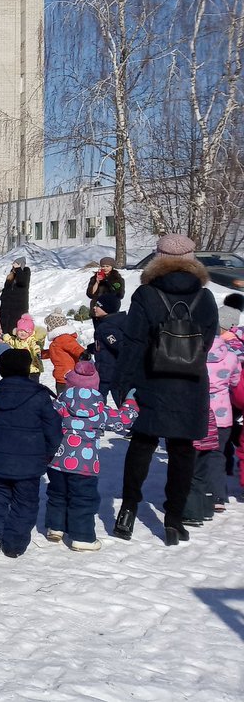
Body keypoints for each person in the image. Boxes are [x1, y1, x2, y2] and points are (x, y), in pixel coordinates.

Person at [114, 234, 218, 545]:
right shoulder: (205, 297)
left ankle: (128, 511)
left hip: (152, 381)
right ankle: (174, 521)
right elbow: (207, 342)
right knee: (182, 450)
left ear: (158, 258)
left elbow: (133, 343)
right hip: (190, 384)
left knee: (142, 445)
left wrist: (122, 386)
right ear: (192, 258)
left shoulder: (146, 294)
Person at [0, 349, 61, 558]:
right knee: (25, 502)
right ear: (26, 369)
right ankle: (14, 543)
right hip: (30, 462)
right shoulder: (39, 394)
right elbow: (53, 427)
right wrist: (49, 451)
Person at [45, 361, 138, 551]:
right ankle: (82, 537)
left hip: (57, 459)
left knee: (57, 494)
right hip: (85, 465)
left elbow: (44, 419)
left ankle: (56, 527)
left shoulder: (59, 404)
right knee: (83, 499)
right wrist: (131, 402)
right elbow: (123, 421)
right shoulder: (99, 410)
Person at [182, 311, 241, 524]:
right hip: (223, 414)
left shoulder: (194, 353)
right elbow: (235, 381)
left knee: (196, 455)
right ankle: (217, 496)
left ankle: (197, 498)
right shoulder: (232, 356)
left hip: (199, 411)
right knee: (217, 455)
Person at [91, 293, 126, 402]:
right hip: (110, 373)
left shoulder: (106, 327)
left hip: (109, 374)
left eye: (98, 306)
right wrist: (90, 349)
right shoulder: (115, 322)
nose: (94, 308)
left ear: (107, 309)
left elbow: (120, 346)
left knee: (99, 403)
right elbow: (104, 345)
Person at [43, 311, 85, 393]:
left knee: (65, 397)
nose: (47, 329)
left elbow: (75, 348)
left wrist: (83, 353)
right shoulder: (57, 340)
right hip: (61, 375)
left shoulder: (64, 338)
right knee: (62, 396)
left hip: (67, 376)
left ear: (53, 327)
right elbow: (55, 351)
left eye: (48, 326)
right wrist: (42, 354)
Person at [2, 315, 45, 379]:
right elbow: (11, 341)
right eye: (21, 331)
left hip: (33, 369)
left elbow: (35, 347)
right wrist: (5, 337)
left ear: (30, 332)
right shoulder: (17, 340)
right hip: (21, 369)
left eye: (26, 331)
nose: (23, 333)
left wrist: (37, 352)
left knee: (32, 383)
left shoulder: (31, 340)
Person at [0, 258, 31, 337]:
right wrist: (3, 298)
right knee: (5, 327)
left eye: (16, 265)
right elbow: (6, 289)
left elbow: (22, 282)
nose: (14, 267)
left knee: (15, 327)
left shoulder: (25, 272)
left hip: (19, 307)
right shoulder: (11, 275)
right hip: (6, 307)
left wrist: (18, 269)